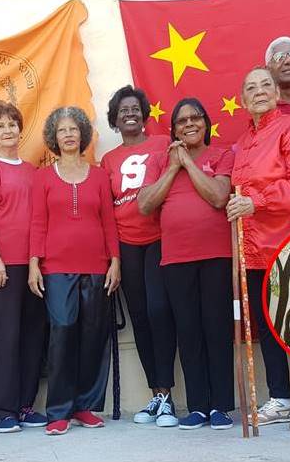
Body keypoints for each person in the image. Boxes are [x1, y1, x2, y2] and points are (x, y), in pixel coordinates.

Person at [227, 67, 290, 431]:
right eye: (250, 87)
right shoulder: (244, 141)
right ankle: (281, 398)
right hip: (253, 249)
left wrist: (255, 201)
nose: (258, 92)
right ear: (242, 99)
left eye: (265, 85)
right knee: (268, 327)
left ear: (277, 93)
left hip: (289, 242)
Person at [138, 98, 235, 431]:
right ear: (173, 129)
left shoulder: (223, 154)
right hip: (176, 259)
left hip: (216, 256)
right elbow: (145, 204)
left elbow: (218, 197)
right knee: (189, 332)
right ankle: (197, 407)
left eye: (196, 118)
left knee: (216, 329)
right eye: (182, 121)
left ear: (206, 123)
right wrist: (172, 167)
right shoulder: (160, 161)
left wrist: (189, 165)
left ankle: (221, 405)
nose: (189, 124)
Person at [29, 106, 121, 436]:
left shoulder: (98, 176)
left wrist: (115, 261)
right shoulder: (42, 178)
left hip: (97, 267)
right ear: (54, 138)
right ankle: (58, 411)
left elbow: (108, 221)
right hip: (56, 268)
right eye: (62, 130)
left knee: (93, 336)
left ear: (82, 134)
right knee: (62, 332)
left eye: (74, 129)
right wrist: (33, 263)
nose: (69, 135)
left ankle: (85, 406)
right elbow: (38, 222)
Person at [101, 86, 178, 427]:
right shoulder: (108, 159)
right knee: (140, 317)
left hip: (160, 238)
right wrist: (112, 257)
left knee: (159, 311)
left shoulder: (162, 144)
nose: (129, 113)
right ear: (115, 119)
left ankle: (168, 397)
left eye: (135, 108)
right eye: (123, 110)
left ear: (144, 114)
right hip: (127, 243)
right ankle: (156, 394)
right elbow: (106, 211)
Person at [0, 101, 47, 433]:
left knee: (33, 337)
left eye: (12, 124)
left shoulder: (32, 170)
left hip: (31, 266)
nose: (7, 130)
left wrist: (38, 262)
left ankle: (26, 406)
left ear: (20, 128)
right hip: (0, 266)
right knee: (5, 337)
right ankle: (2, 411)